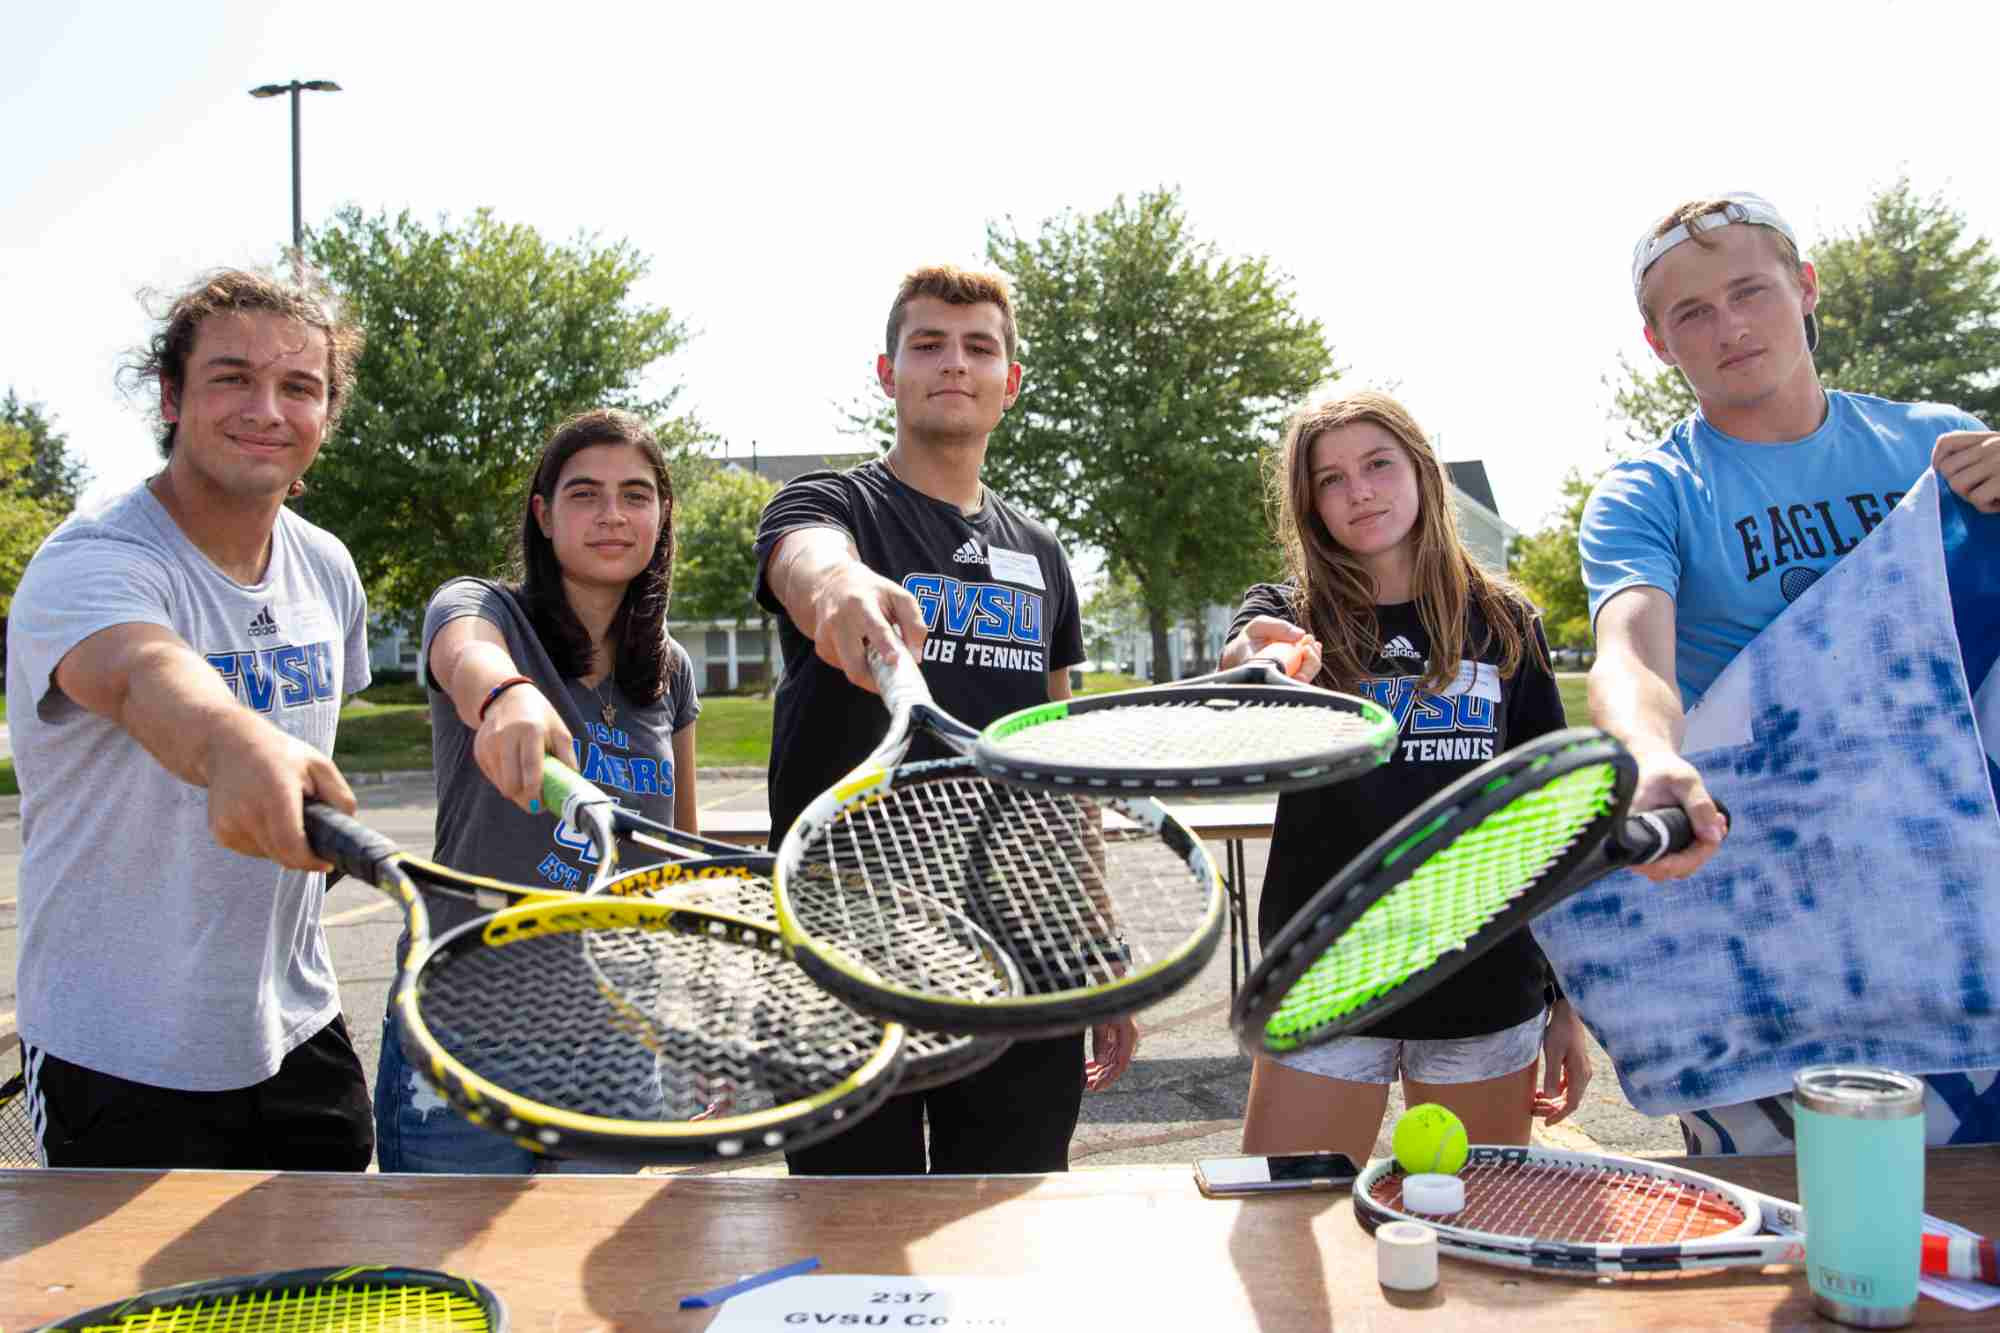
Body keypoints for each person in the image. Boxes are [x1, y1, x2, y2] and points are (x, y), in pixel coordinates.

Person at [1583, 191, 2000, 1153]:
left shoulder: (1933, 445)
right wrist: (1646, 753)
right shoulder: (1650, 493)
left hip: (1957, 909)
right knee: (1787, 1239)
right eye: (1692, 312)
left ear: (1805, 289)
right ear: (1657, 341)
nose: (1729, 327)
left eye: (1749, 292)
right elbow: (1629, 652)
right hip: (1767, 933)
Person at [5, 268, 374, 1169]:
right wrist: (237, 741)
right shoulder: (93, 560)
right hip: (118, 1052)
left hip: (297, 1027)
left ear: (326, 415)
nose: (267, 409)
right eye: (231, 378)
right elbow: (143, 673)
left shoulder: (326, 569)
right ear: (171, 396)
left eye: (300, 387)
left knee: (329, 1302)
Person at [754, 263, 1111, 1175]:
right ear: (889, 373)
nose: (954, 363)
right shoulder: (832, 505)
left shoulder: (1041, 554)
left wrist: (1092, 937)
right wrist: (838, 586)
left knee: (1006, 1238)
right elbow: (807, 559)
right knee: (851, 1243)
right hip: (850, 946)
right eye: (928, 345)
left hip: (1019, 949)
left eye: (978, 347)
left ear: (1009, 382)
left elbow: (1057, 758)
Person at [1229, 390, 1589, 1167]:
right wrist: (1257, 666)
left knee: (1477, 1244)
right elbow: (1246, 658)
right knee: (1286, 1235)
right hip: (1327, 983)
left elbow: (1551, 822)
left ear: (1423, 472)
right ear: (1310, 504)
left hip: (1482, 986)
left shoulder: (1504, 622)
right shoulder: (1292, 617)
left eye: (1377, 465)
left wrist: (1568, 1003)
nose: (1358, 491)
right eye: (1330, 479)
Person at [372, 407, 699, 1173]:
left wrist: (683, 1021)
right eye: (584, 494)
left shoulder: (669, 668)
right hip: (465, 1031)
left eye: (636, 494)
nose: (612, 514)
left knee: (586, 1284)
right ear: (544, 516)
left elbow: (676, 866)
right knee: (451, 1286)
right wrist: (506, 695)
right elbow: (465, 653)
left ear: (661, 514)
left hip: (615, 1043)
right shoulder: (486, 611)